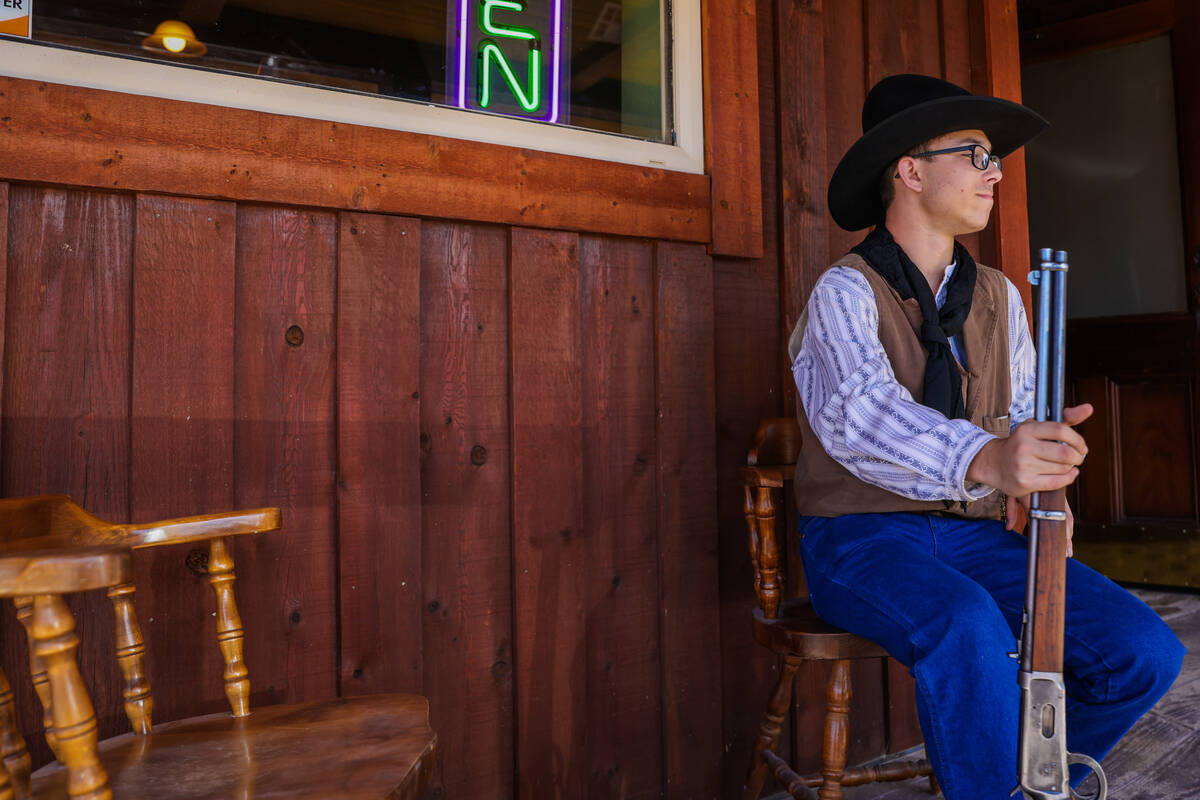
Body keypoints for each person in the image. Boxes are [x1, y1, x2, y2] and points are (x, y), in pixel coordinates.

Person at [789, 74, 1185, 799]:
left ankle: (1017, 785)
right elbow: (859, 416)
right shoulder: (843, 291)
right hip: (860, 537)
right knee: (968, 625)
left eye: (993, 156)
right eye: (974, 153)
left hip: (975, 534)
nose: (995, 170)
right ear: (909, 171)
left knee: (1143, 652)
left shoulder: (1001, 296)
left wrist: (1047, 477)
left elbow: (1029, 414)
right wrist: (990, 456)